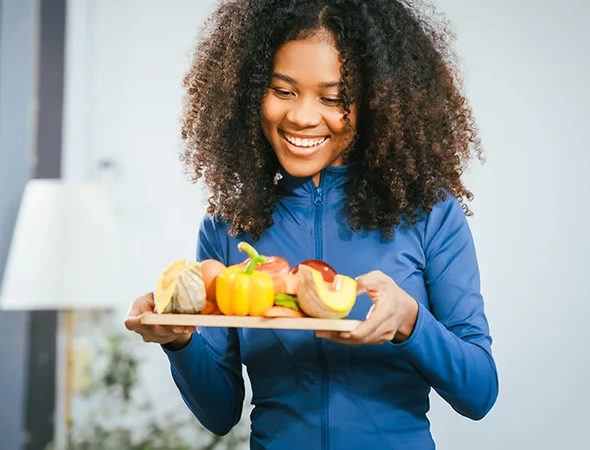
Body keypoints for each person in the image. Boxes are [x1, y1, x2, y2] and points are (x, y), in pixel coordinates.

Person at [123, 0, 497, 448]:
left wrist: (411, 322)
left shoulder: (429, 214)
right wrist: (179, 341)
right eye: (283, 91)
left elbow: (479, 392)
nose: (301, 116)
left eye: (334, 98)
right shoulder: (229, 224)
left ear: (378, 100)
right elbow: (220, 413)